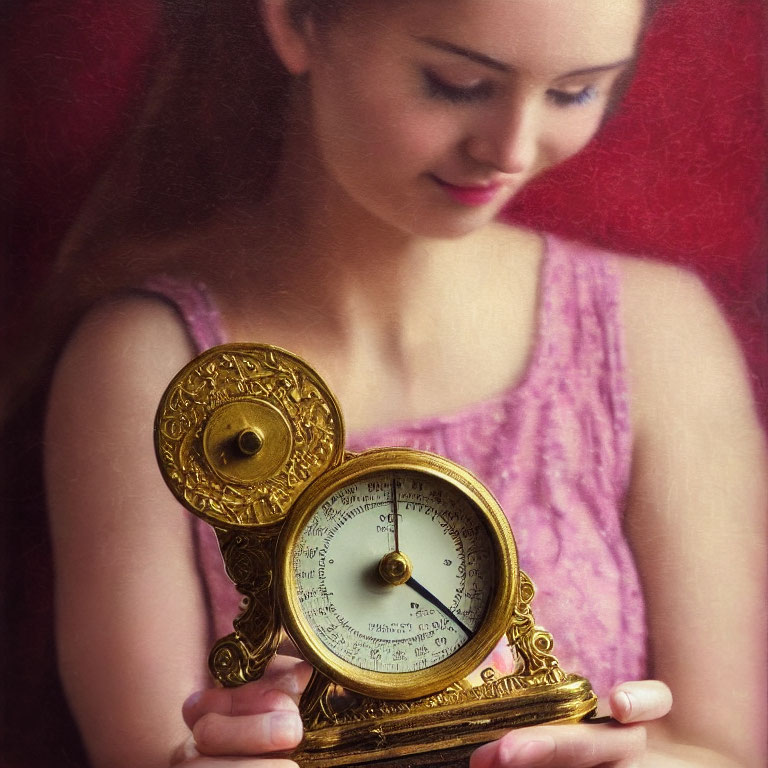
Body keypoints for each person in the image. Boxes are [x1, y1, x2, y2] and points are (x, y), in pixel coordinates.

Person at [39, 0, 765, 766]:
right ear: (295, 20)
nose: (511, 149)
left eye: (575, 91)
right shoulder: (150, 368)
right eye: (456, 83)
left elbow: (724, 747)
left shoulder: (658, 335)